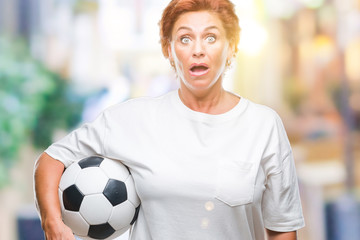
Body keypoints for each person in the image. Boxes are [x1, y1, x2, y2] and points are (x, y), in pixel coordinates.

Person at [33, 0, 305, 239]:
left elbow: (282, 228)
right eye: (185, 39)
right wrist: (52, 222)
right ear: (168, 49)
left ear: (232, 46)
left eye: (211, 37)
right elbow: (51, 159)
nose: (197, 50)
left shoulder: (263, 125)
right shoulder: (131, 119)